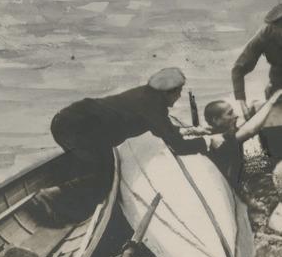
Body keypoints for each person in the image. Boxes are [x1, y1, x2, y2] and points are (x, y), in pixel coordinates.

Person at [31, 68, 216, 223]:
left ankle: (64, 197)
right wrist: (207, 143)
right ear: (169, 92)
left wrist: (192, 131)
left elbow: (163, 128)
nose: (180, 96)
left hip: (66, 121)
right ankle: (51, 196)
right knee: (104, 178)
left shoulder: (145, 95)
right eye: (179, 91)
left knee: (93, 165)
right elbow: (178, 146)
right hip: (77, 129)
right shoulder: (153, 107)